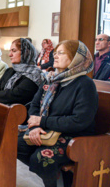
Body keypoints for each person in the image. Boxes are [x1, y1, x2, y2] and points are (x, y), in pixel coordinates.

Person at [17, 40, 98, 187]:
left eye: (61, 53)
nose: (56, 56)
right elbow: (35, 105)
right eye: (55, 53)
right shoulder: (51, 80)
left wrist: (42, 122)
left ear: (75, 58)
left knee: (41, 158)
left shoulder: (85, 85)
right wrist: (35, 127)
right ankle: (48, 178)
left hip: (75, 137)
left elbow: (79, 121)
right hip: (48, 131)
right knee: (15, 144)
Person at [0, 38, 42, 110]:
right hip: (1, 109)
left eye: (14, 51)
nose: (10, 54)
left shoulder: (34, 74)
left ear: (25, 53)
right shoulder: (10, 71)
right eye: (10, 51)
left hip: (19, 114)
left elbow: (17, 94)